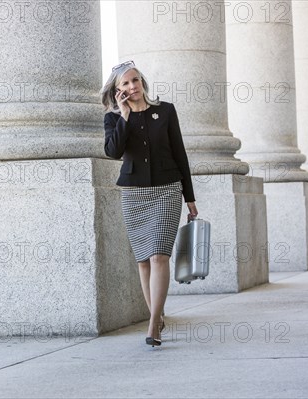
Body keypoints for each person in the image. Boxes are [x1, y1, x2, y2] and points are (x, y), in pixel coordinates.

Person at [100, 60, 198, 347]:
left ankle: (153, 323)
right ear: (118, 92)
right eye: (125, 85)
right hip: (134, 195)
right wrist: (126, 117)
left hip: (167, 190)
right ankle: (157, 314)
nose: (133, 87)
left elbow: (180, 154)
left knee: (159, 256)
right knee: (143, 261)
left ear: (142, 81)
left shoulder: (165, 111)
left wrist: (189, 198)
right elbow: (113, 152)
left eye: (135, 80)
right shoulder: (114, 119)